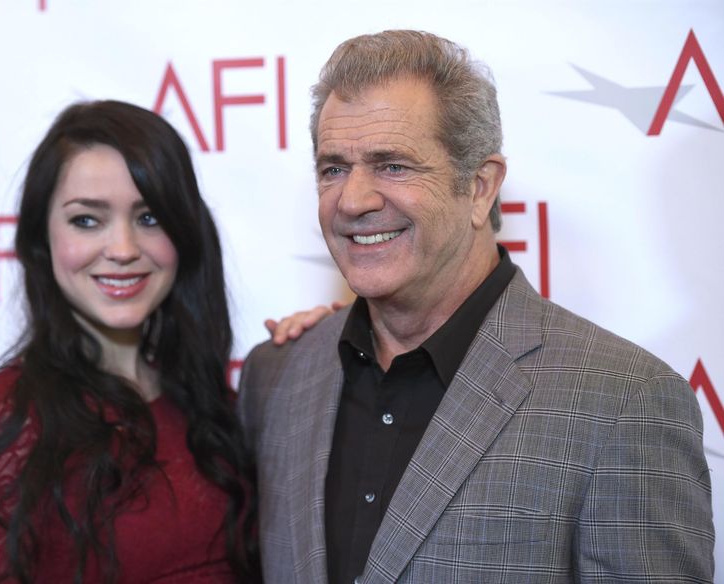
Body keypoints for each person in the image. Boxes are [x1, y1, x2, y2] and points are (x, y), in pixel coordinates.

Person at [238, 30, 714, 583]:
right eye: (333, 168)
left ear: (481, 187)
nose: (353, 199)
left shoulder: (623, 402)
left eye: (393, 165)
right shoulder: (275, 378)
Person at [0, 100, 261, 583]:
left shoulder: (216, 401)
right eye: (87, 220)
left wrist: (318, 351)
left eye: (150, 217)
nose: (123, 250)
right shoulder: (5, 417)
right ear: (41, 240)